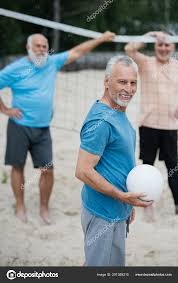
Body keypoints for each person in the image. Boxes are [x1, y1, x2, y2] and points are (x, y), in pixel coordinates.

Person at [0, 31, 115, 224]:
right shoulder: (17, 68)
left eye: (45, 46)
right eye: (38, 45)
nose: (42, 49)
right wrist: (5, 109)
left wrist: (102, 39)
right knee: (18, 167)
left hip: (43, 129)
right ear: (28, 48)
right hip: (19, 126)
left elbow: (78, 52)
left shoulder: (51, 63)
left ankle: (44, 207)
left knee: (47, 169)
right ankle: (20, 206)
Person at [75, 55, 153, 266]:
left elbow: (119, 162)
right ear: (107, 81)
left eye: (133, 82)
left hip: (117, 210)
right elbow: (82, 171)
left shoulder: (117, 112)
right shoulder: (101, 121)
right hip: (103, 213)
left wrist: (127, 205)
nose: (128, 88)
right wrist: (121, 196)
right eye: (122, 81)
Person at [125, 31, 178, 220]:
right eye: (160, 45)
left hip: (171, 126)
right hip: (148, 125)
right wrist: (149, 36)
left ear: (173, 47)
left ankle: (177, 205)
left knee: (173, 167)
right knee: (147, 166)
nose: (163, 48)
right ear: (155, 47)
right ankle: (148, 205)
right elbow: (129, 48)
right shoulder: (146, 63)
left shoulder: (176, 66)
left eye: (167, 45)